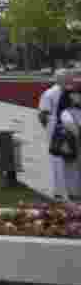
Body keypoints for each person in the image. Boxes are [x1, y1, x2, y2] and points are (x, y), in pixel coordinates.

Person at [51, 71, 81, 201]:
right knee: (71, 169)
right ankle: (73, 194)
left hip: (74, 144)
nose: (77, 97)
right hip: (71, 144)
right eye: (75, 95)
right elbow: (71, 127)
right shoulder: (66, 112)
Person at [40, 69, 68, 200]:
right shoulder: (54, 93)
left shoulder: (49, 93)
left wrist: (48, 129)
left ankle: (59, 189)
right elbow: (43, 115)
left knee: (56, 159)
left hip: (55, 129)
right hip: (63, 128)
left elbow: (42, 114)